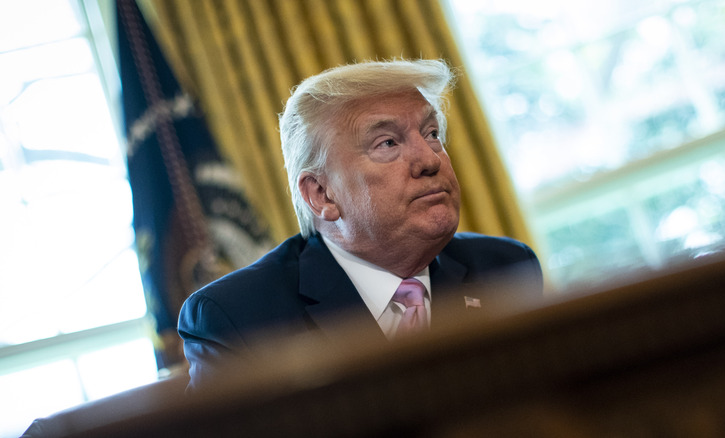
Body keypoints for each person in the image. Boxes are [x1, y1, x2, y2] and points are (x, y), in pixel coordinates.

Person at [178, 59, 543, 391]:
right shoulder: (235, 319)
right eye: (387, 143)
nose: (429, 159)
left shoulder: (505, 267)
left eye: (432, 133)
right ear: (322, 194)